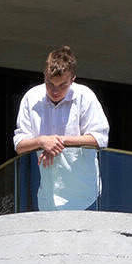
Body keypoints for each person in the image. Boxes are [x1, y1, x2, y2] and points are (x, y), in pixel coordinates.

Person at [13, 46, 109, 212]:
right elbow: (20, 146)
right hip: (47, 197)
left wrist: (60, 141)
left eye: (62, 85)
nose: (55, 91)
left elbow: (99, 139)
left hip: (85, 196)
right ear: (44, 76)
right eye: (50, 84)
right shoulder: (31, 98)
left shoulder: (85, 96)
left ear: (72, 79)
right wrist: (42, 141)